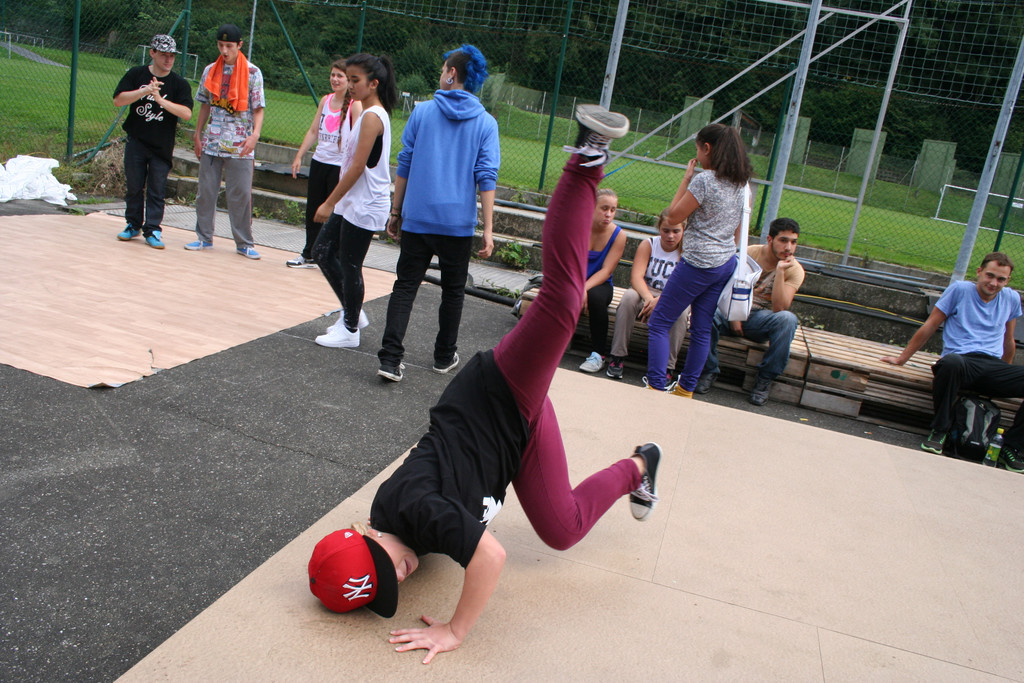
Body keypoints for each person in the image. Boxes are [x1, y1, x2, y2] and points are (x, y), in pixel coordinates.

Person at [307, 106, 661, 663]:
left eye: (383, 566)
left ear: (365, 532)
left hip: (495, 395)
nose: (400, 574)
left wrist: (455, 630)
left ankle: (587, 157)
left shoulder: (418, 512)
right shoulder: (402, 526)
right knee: (563, 530)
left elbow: (490, 557)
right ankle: (642, 465)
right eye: (388, 586)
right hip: (514, 434)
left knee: (562, 302)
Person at [376, 45, 500, 382]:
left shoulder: (423, 112)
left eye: (444, 68)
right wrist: (488, 229)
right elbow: (486, 177)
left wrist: (396, 210)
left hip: (418, 217)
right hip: (457, 224)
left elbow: (405, 162)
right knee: (453, 291)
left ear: (452, 74)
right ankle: (444, 356)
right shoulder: (486, 123)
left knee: (405, 287)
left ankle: (390, 359)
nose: (441, 73)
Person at [881, 252, 1024, 471]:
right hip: (962, 362)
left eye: (1001, 279)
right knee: (950, 363)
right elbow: (930, 325)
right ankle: (940, 430)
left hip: (992, 365)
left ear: (1007, 280)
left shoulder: (1011, 298)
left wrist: (1004, 372)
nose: (994, 283)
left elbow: (1008, 340)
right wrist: (902, 358)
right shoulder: (960, 290)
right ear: (979, 272)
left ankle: (1012, 447)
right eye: (990, 275)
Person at [645, 123, 753, 396]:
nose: (697, 155)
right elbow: (739, 233)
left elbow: (672, 217)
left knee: (659, 321)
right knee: (702, 327)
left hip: (697, 264)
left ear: (707, 148)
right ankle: (686, 388)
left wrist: (686, 180)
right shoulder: (743, 186)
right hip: (724, 263)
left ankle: (655, 385)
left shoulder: (705, 181)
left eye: (698, 149)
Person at [310, 53, 397, 349]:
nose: (350, 85)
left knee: (350, 264)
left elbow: (358, 167)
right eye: (349, 79)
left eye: (355, 80)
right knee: (322, 251)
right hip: (353, 201)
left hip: (365, 203)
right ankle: (353, 313)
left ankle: (350, 329)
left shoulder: (373, 117)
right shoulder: (367, 112)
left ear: (374, 83)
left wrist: (329, 202)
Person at [696, 217, 804, 405]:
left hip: (759, 319)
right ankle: (708, 371)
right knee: (706, 312)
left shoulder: (795, 270)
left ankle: (764, 380)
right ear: (770, 239)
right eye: (783, 240)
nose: (789, 247)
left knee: (788, 320)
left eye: (793, 242)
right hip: (730, 310)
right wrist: (734, 316)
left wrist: (780, 272)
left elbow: (779, 308)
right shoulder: (750, 253)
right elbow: (725, 286)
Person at [187, 23, 265, 259]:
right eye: (221, 45)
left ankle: (244, 243)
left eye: (229, 46)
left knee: (240, 194)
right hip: (213, 142)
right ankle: (204, 237)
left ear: (239, 45)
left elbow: (258, 108)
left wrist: (255, 135)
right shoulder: (210, 70)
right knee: (205, 192)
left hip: (240, 144)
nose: (224, 51)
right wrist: (198, 134)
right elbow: (204, 104)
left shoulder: (253, 72)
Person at [113, 34, 193, 249]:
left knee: (157, 189)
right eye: (164, 55)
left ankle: (153, 229)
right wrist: (145, 91)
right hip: (137, 141)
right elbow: (118, 100)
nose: (168, 60)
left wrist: (160, 100)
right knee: (134, 186)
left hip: (161, 146)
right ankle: (133, 224)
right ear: (152, 53)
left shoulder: (179, 84)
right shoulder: (136, 74)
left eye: (172, 56)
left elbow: (186, 113)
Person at [286, 60, 362, 268]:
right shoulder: (325, 100)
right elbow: (313, 131)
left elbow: (358, 137)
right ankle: (309, 253)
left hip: (339, 166)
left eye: (340, 76)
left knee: (335, 212)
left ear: (348, 80)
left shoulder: (355, 105)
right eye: (333, 75)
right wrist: (299, 155)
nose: (335, 79)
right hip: (320, 161)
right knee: (313, 209)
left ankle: (332, 256)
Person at [606, 209, 686, 381]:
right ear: (659, 228)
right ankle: (617, 356)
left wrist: (661, 300)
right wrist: (649, 298)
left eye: (676, 231)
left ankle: (667, 366)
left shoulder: (687, 251)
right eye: (666, 230)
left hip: (672, 296)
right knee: (628, 298)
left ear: (683, 230)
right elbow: (636, 277)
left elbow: (683, 286)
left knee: (682, 312)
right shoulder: (649, 244)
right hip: (646, 291)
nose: (670, 236)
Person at [577, 188, 628, 374]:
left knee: (596, 298)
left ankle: (598, 354)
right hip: (574, 278)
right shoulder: (577, 227)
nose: (609, 214)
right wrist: (577, 287)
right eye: (604, 208)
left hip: (600, 283)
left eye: (613, 210)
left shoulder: (619, 235)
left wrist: (583, 288)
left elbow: (606, 271)